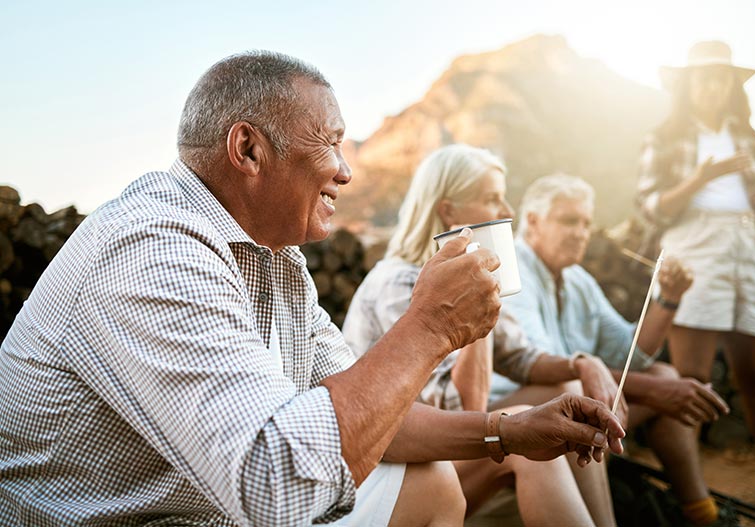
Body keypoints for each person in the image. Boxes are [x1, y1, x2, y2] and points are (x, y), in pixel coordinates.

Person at [0, 51, 626, 526]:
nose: (347, 171)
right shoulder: (151, 250)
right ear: (247, 148)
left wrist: (509, 431)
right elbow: (275, 488)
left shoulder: (274, 257)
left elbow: (377, 420)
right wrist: (431, 327)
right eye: (330, 142)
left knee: (432, 482)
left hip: (213, 499)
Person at [344, 144, 621, 526]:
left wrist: (582, 362)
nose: (507, 211)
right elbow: (464, 408)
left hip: (443, 447)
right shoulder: (399, 283)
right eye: (492, 199)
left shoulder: (466, 278)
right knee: (527, 437)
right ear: (448, 212)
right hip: (396, 468)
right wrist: (478, 308)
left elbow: (521, 358)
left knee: (572, 390)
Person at [503, 173, 732, 527]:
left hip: (567, 395)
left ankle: (700, 513)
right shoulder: (515, 274)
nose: (581, 233)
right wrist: (657, 392)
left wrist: (668, 299)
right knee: (576, 393)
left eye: (585, 223)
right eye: (569, 221)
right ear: (532, 221)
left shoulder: (577, 279)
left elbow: (630, 355)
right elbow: (546, 366)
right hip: (513, 411)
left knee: (662, 374)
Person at [636, 40, 755, 504]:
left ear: (731, 86)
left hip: (746, 246)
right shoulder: (664, 138)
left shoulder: (749, 137)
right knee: (693, 379)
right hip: (694, 247)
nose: (713, 86)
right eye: (704, 78)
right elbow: (650, 207)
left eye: (721, 78)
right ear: (688, 85)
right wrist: (702, 177)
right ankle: (693, 493)